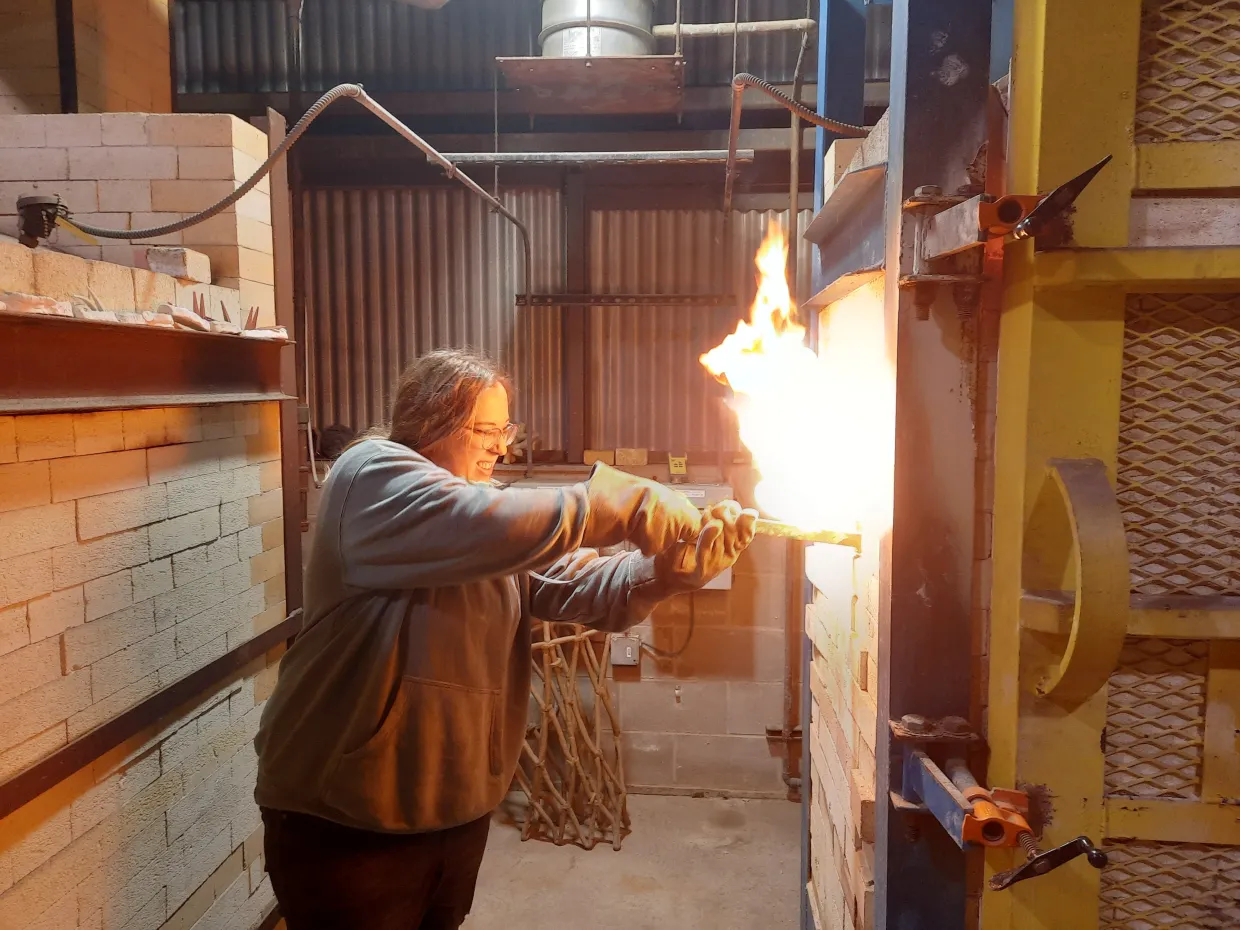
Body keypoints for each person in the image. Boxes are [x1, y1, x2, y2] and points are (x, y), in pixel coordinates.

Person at [253, 348, 757, 930]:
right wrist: (622, 501)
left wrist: (667, 572)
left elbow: (578, 583)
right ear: (431, 423)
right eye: (485, 429)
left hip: (451, 810)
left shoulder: (483, 520)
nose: (501, 446)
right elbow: (483, 521)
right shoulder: (371, 476)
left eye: (505, 429)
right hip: (346, 817)